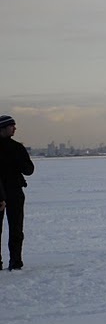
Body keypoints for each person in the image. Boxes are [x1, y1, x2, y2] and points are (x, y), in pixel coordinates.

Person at [0, 115, 35, 271]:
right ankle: (12, 262)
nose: (15, 128)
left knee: (16, 229)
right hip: (3, 192)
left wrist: (18, 161)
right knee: (14, 228)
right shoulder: (16, 147)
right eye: (11, 126)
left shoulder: (17, 147)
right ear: (3, 128)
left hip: (14, 191)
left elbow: (29, 170)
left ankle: (15, 261)